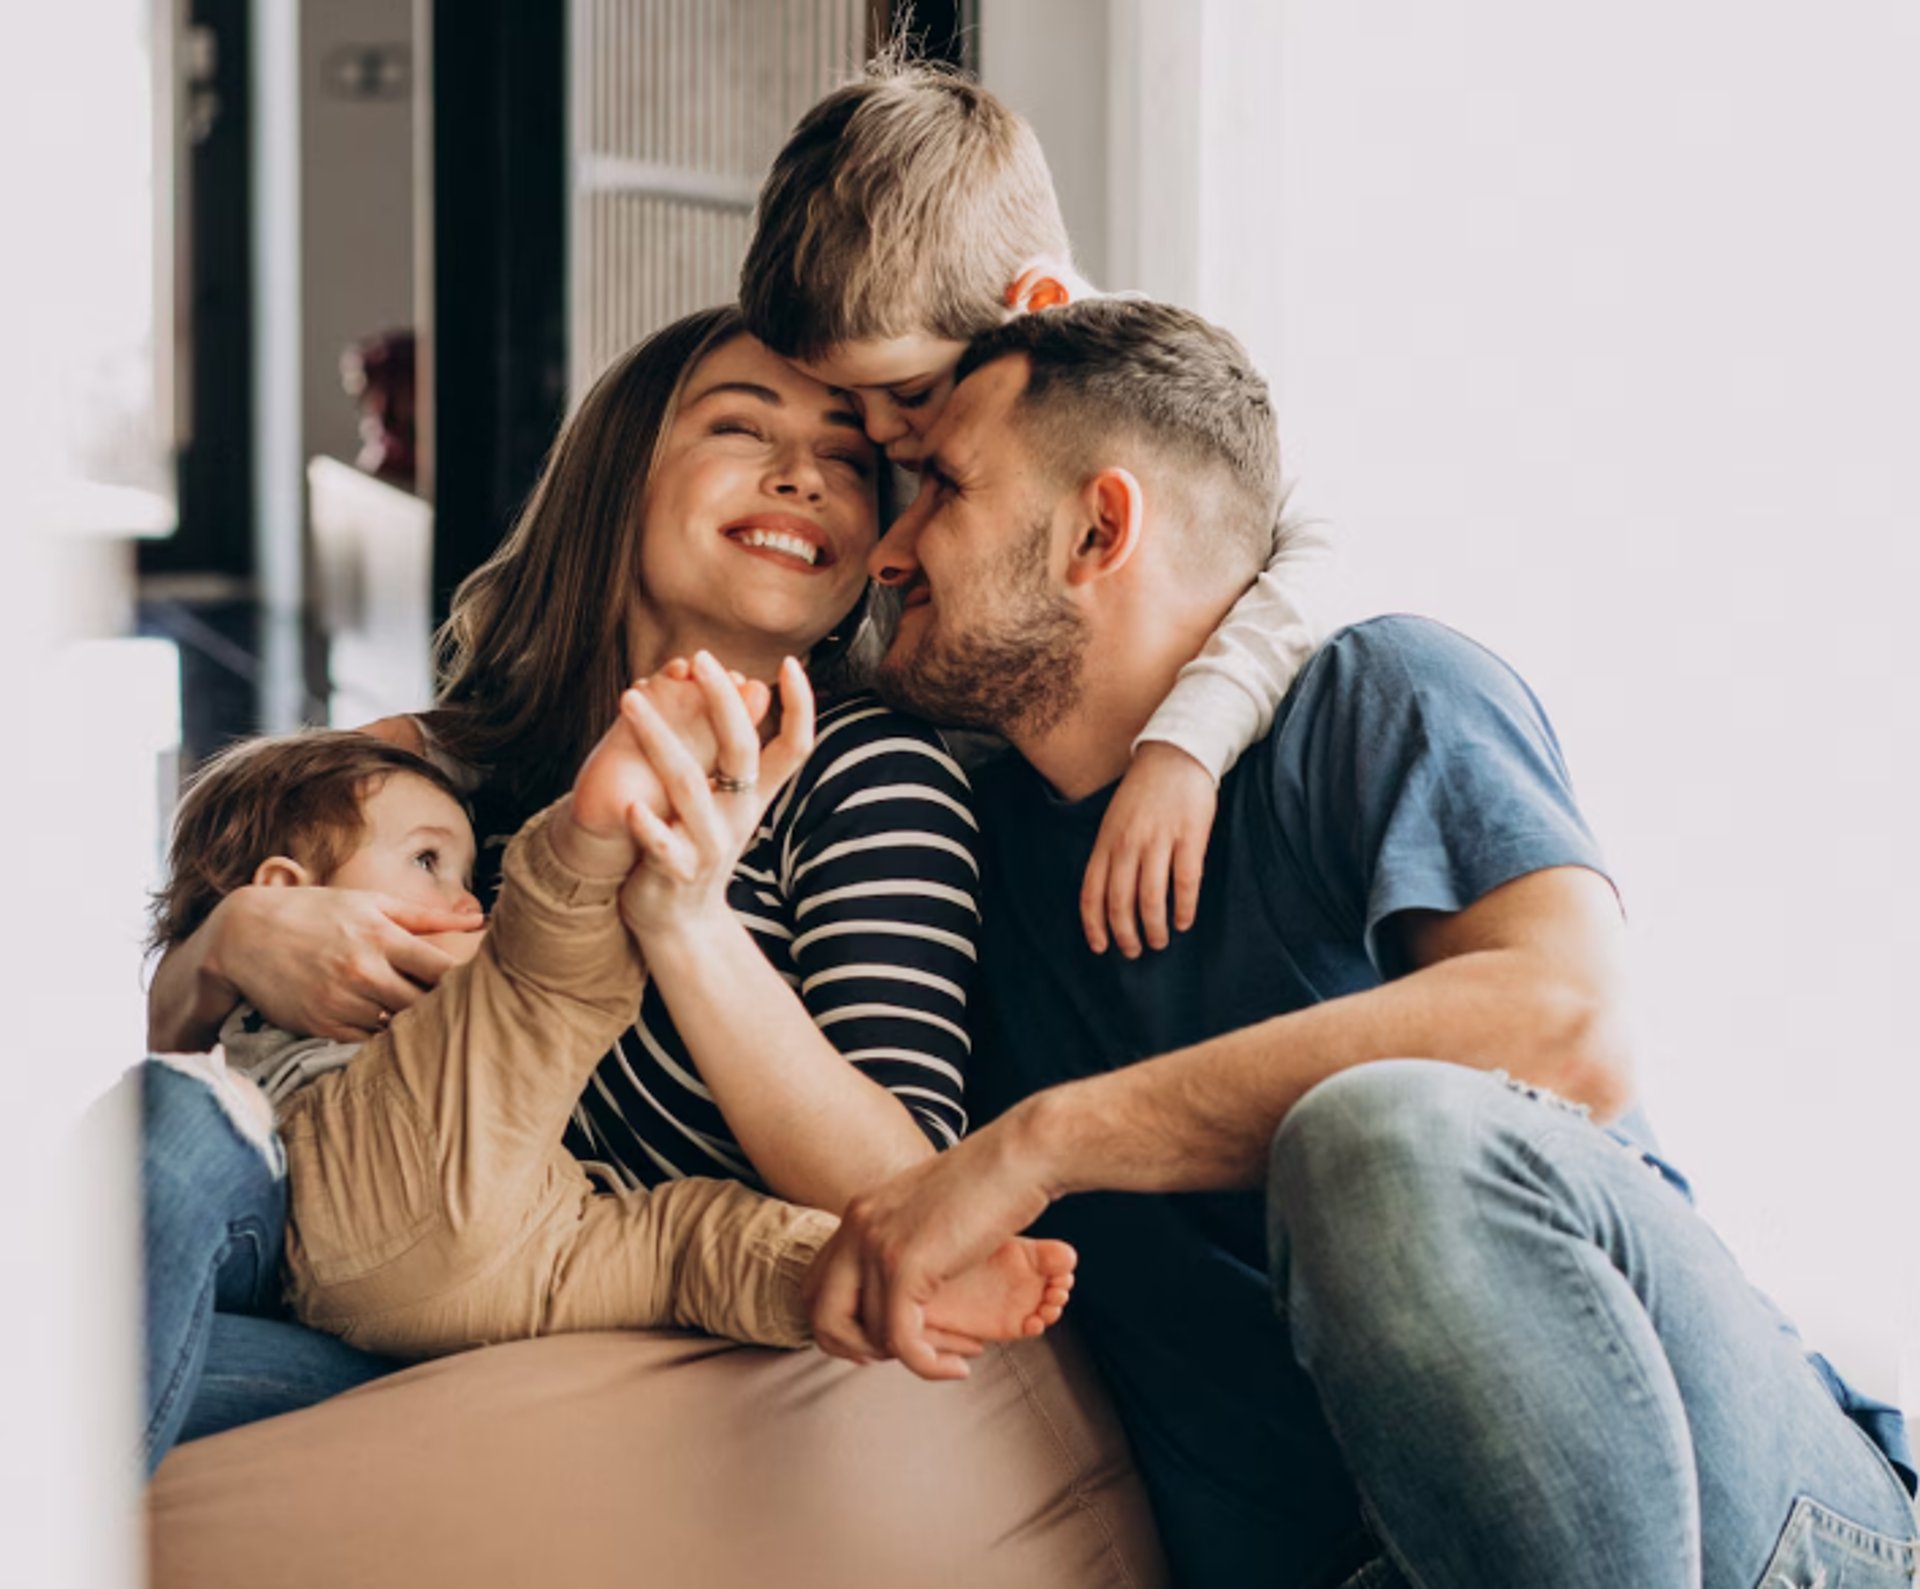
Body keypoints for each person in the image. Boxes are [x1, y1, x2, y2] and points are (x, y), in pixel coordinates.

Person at [802, 298, 1920, 1589]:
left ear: (1101, 528)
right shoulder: (956, 857)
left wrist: (1046, 1141)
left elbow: (1566, 1020)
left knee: (1377, 1135)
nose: (888, 549)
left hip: (1759, 1532)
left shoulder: (1376, 695)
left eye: (939, 485)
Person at [140, 308, 990, 1465]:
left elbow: (903, 1188)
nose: (802, 478)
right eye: (743, 428)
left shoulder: (867, 770)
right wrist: (226, 944)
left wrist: (686, 925)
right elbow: (198, 1078)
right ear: (621, 475)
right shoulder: (443, 764)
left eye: (846, 460)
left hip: (586, 1336)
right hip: (335, 1284)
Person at [737, 52, 1325, 960]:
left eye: (908, 391)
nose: (885, 434)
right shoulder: (902, 395)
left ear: (1037, 304)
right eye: (853, 403)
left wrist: (1186, 743)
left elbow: (1322, 550)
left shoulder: (1157, 401)